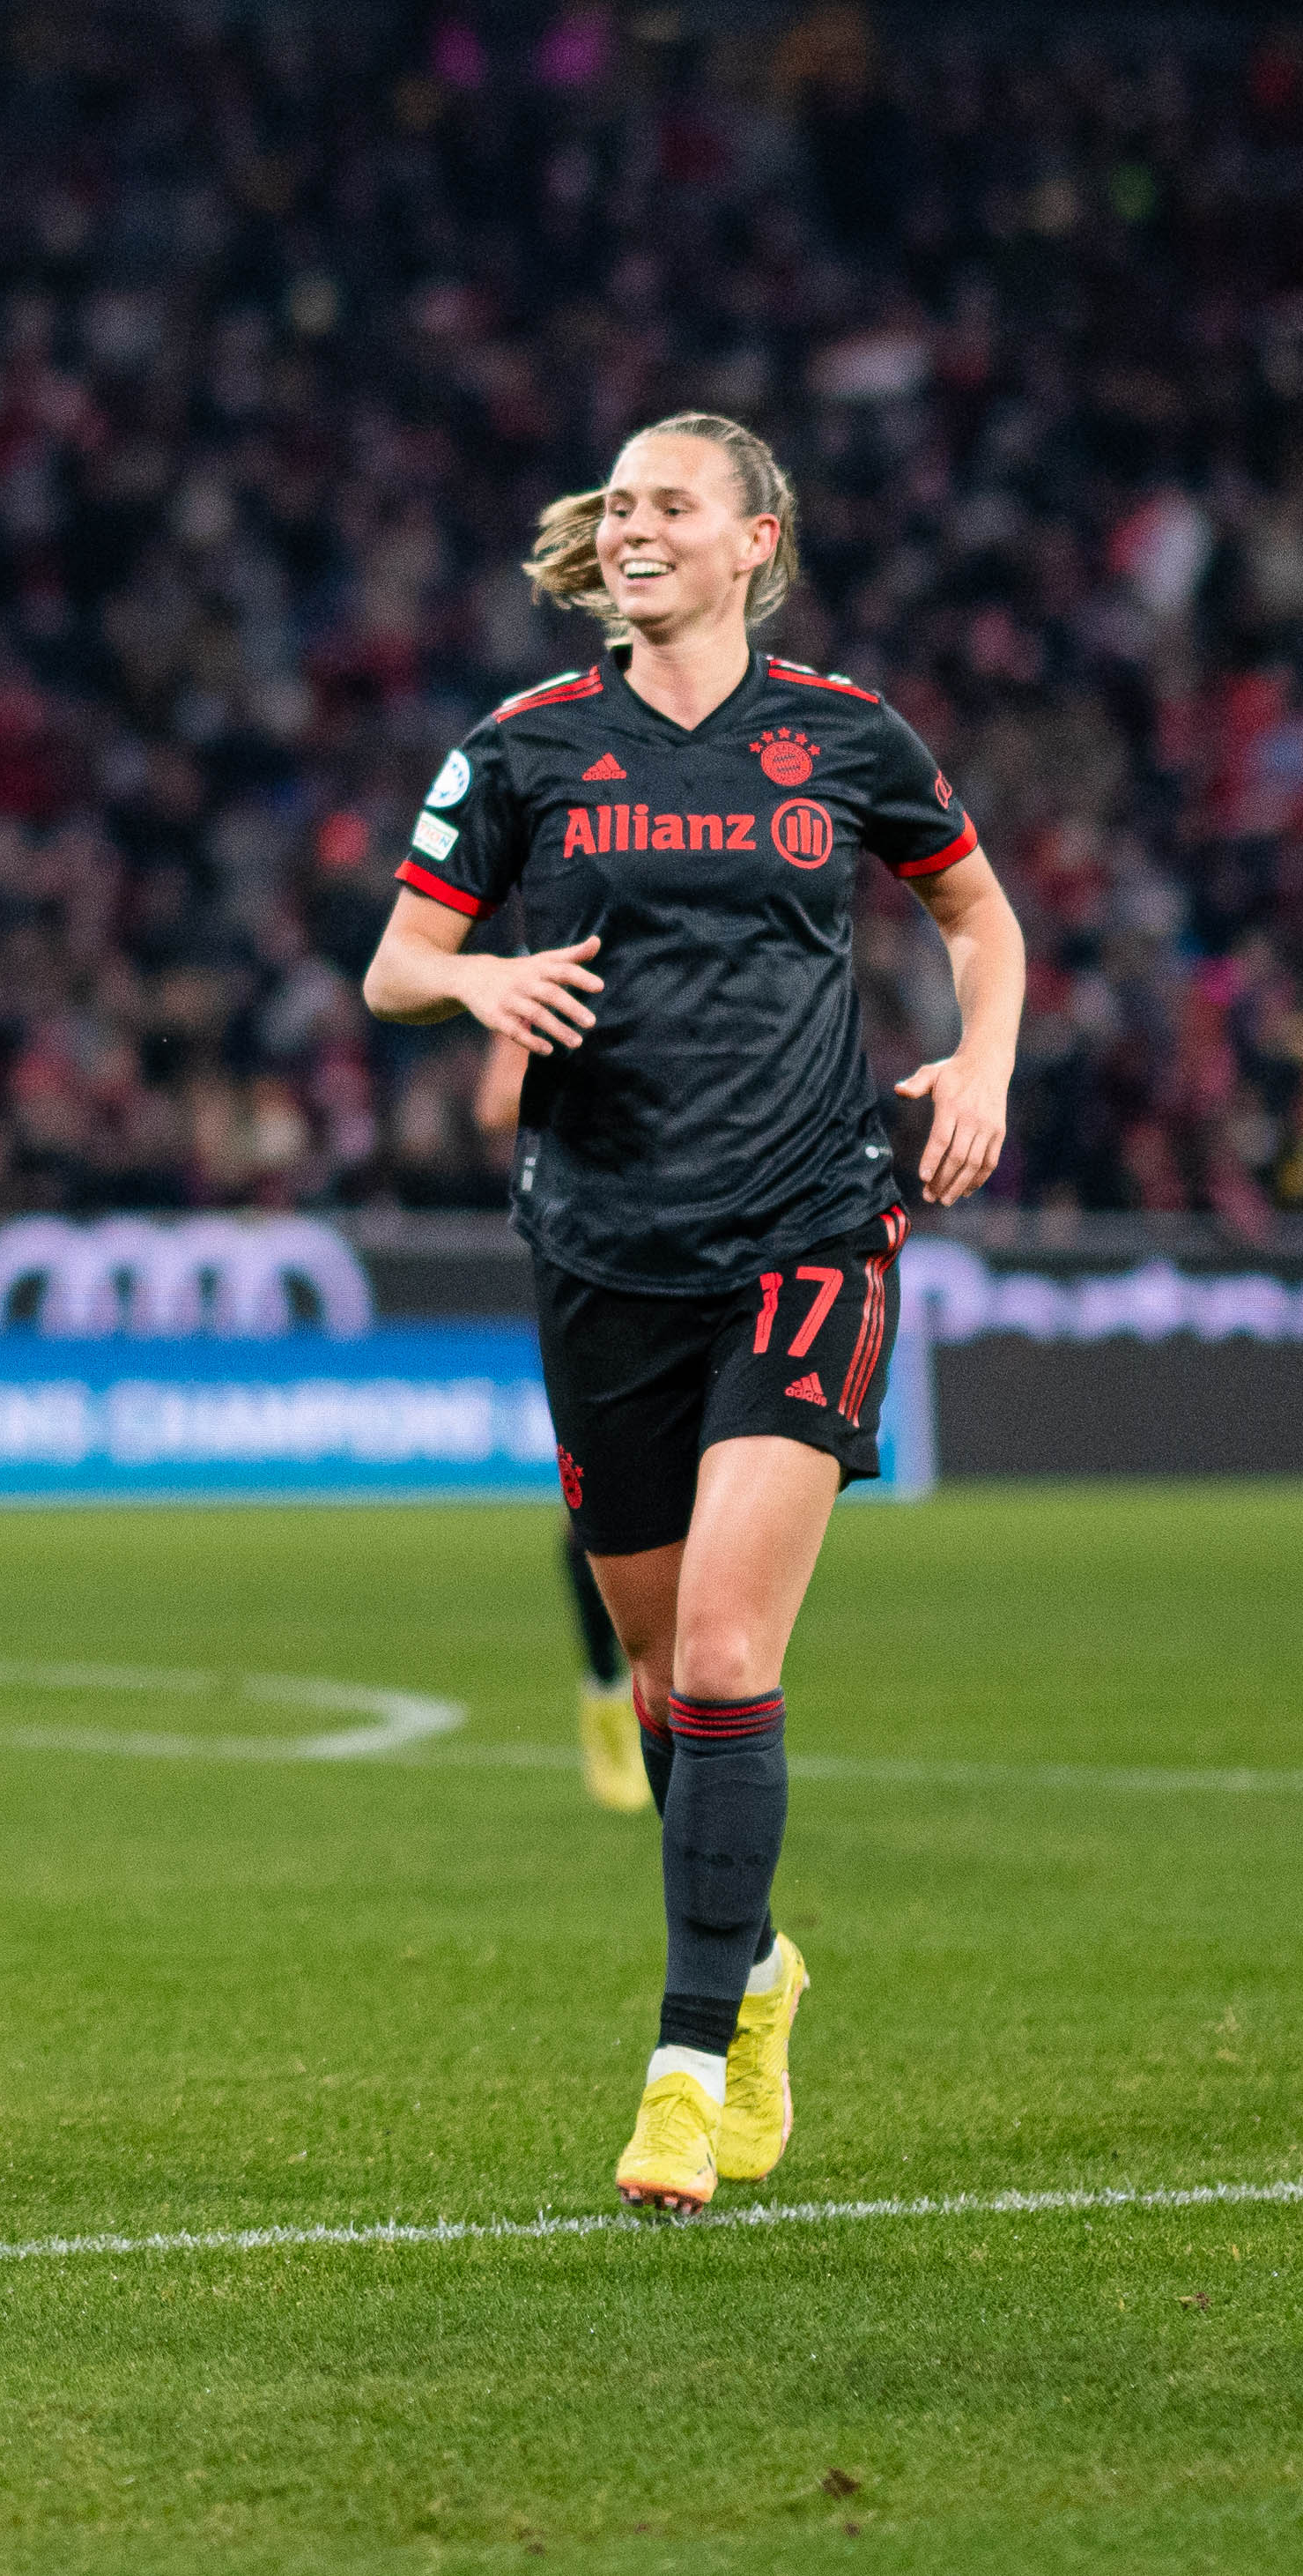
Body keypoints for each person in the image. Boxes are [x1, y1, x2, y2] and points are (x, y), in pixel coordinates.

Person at [364, 411, 1023, 2217]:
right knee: (661, 1677)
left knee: (729, 1657)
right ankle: (761, 1964)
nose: (638, 528)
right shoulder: (521, 751)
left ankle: (682, 2064)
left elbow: (979, 917)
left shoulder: (845, 738)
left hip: (812, 1227)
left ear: (756, 542)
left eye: (674, 506)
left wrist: (983, 1063)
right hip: (600, 1252)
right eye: (623, 507)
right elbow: (395, 961)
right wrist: (480, 970)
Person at [480, 1025, 654, 1815]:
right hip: (601, 1255)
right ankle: (608, 1692)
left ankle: (674, 1708)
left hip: (714, 1241)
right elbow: (494, 1104)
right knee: (596, 1503)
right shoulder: (561, 963)